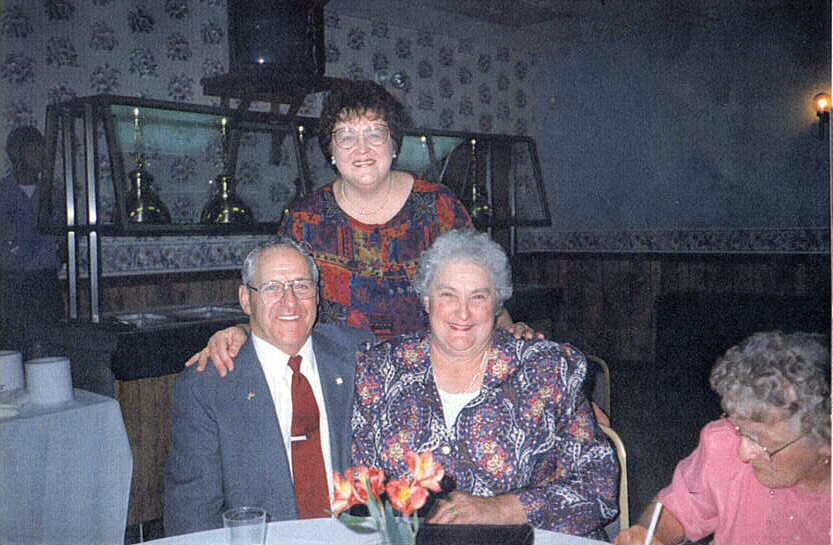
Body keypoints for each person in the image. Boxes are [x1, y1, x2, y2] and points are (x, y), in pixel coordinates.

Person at [187, 79, 540, 375]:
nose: (362, 149)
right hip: (338, 385)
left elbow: (480, 289)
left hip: (430, 379)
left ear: (394, 143)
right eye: (346, 136)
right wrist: (240, 330)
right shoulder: (306, 220)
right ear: (330, 150)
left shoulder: (439, 208)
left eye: (375, 133)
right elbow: (279, 301)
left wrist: (510, 329)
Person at [350, 229, 618, 539]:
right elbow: (365, 489)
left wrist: (501, 509)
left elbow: (598, 488)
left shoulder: (546, 369)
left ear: (497, 304)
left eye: (478, 296)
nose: (463, 312)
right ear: (426, 299)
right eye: (448, 295)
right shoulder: (381, 370)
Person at [164, 238, 374, 535]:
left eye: (301, 286)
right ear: (246, 299)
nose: (290, 302)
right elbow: (192, 515)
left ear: (317, 295)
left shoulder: (359, 356)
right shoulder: (207, 388)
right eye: (272, 288)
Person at [615, 331, 831, 545]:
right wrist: (651, 535)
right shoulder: (724, 443)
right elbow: (678, 509)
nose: (743, 453)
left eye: (762, 442)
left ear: (826, 439)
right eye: (740, 429)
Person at [0, 126, 64, 358]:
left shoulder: (54, 194)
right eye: (33, 149)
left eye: (42, 150)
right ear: (16, 153)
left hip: (45, 285)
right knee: (12, 352)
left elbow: (64, 241)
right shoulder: (3, 193)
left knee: (49, 352)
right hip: (10, 287)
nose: (41, 156)